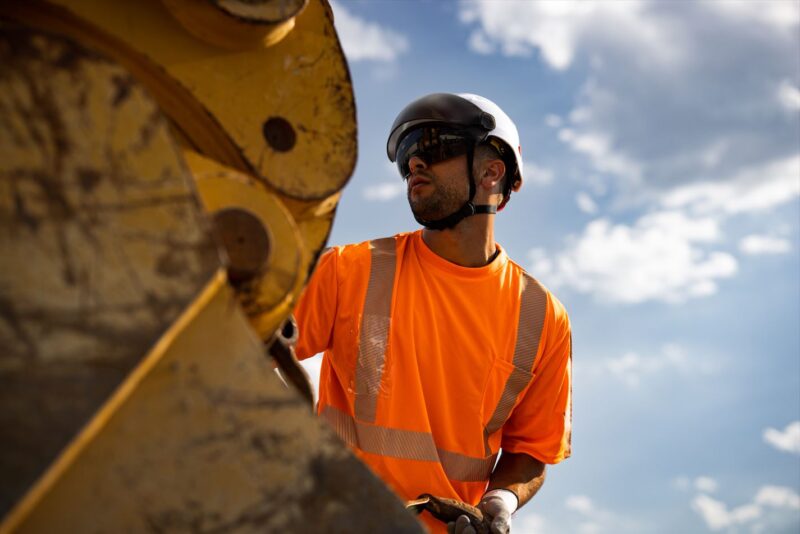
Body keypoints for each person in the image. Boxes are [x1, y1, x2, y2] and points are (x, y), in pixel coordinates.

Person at [293, 93, 572, 533]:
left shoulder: (542, 318)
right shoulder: (347, 271)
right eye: (407, 156)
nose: (415, 163)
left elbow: (531, 449)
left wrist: (500, 501)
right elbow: (243, 349)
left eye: (436, 146)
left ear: (491, 171)